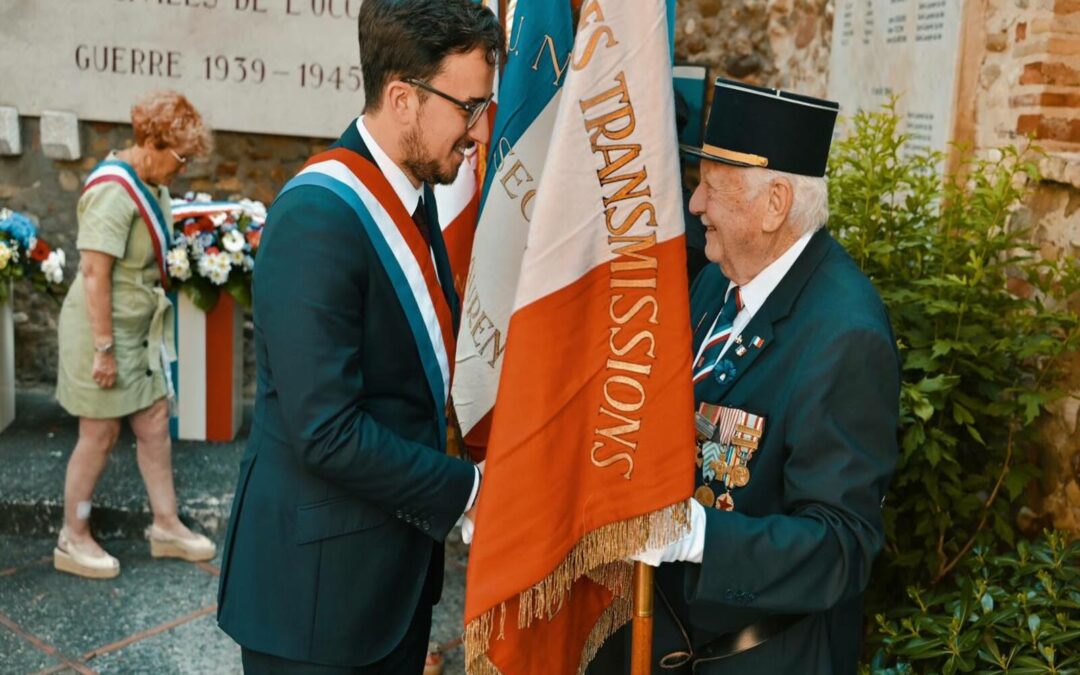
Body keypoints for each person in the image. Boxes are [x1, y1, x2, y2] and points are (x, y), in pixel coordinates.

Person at [215, 1, 502, 672]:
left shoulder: (416, 192)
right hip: (315, 604)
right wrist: (470, 489)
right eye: (468, 107)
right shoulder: (317, 217)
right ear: (402, 98)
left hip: (386, 586)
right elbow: (327, 430)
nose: (478, 130)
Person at [594, 79, 901, 673]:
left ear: (775, 203)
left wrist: (696, 533)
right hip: (664, 628)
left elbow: (842, 546)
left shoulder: (845, 335)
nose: (695, 204)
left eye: (712, 185)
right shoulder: (721, 275)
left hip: (758, 653)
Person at [54, 91, 215, 579]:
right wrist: (103, 351)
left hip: (137, 328)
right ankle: (72, 536)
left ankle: (165, 525)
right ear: (153, 142)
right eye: (181, 157)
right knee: (99, 433)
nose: (183, 168)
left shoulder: (151, 182)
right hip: (101, 330)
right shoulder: (112, 190)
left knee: (152, 420)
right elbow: (94, 274)